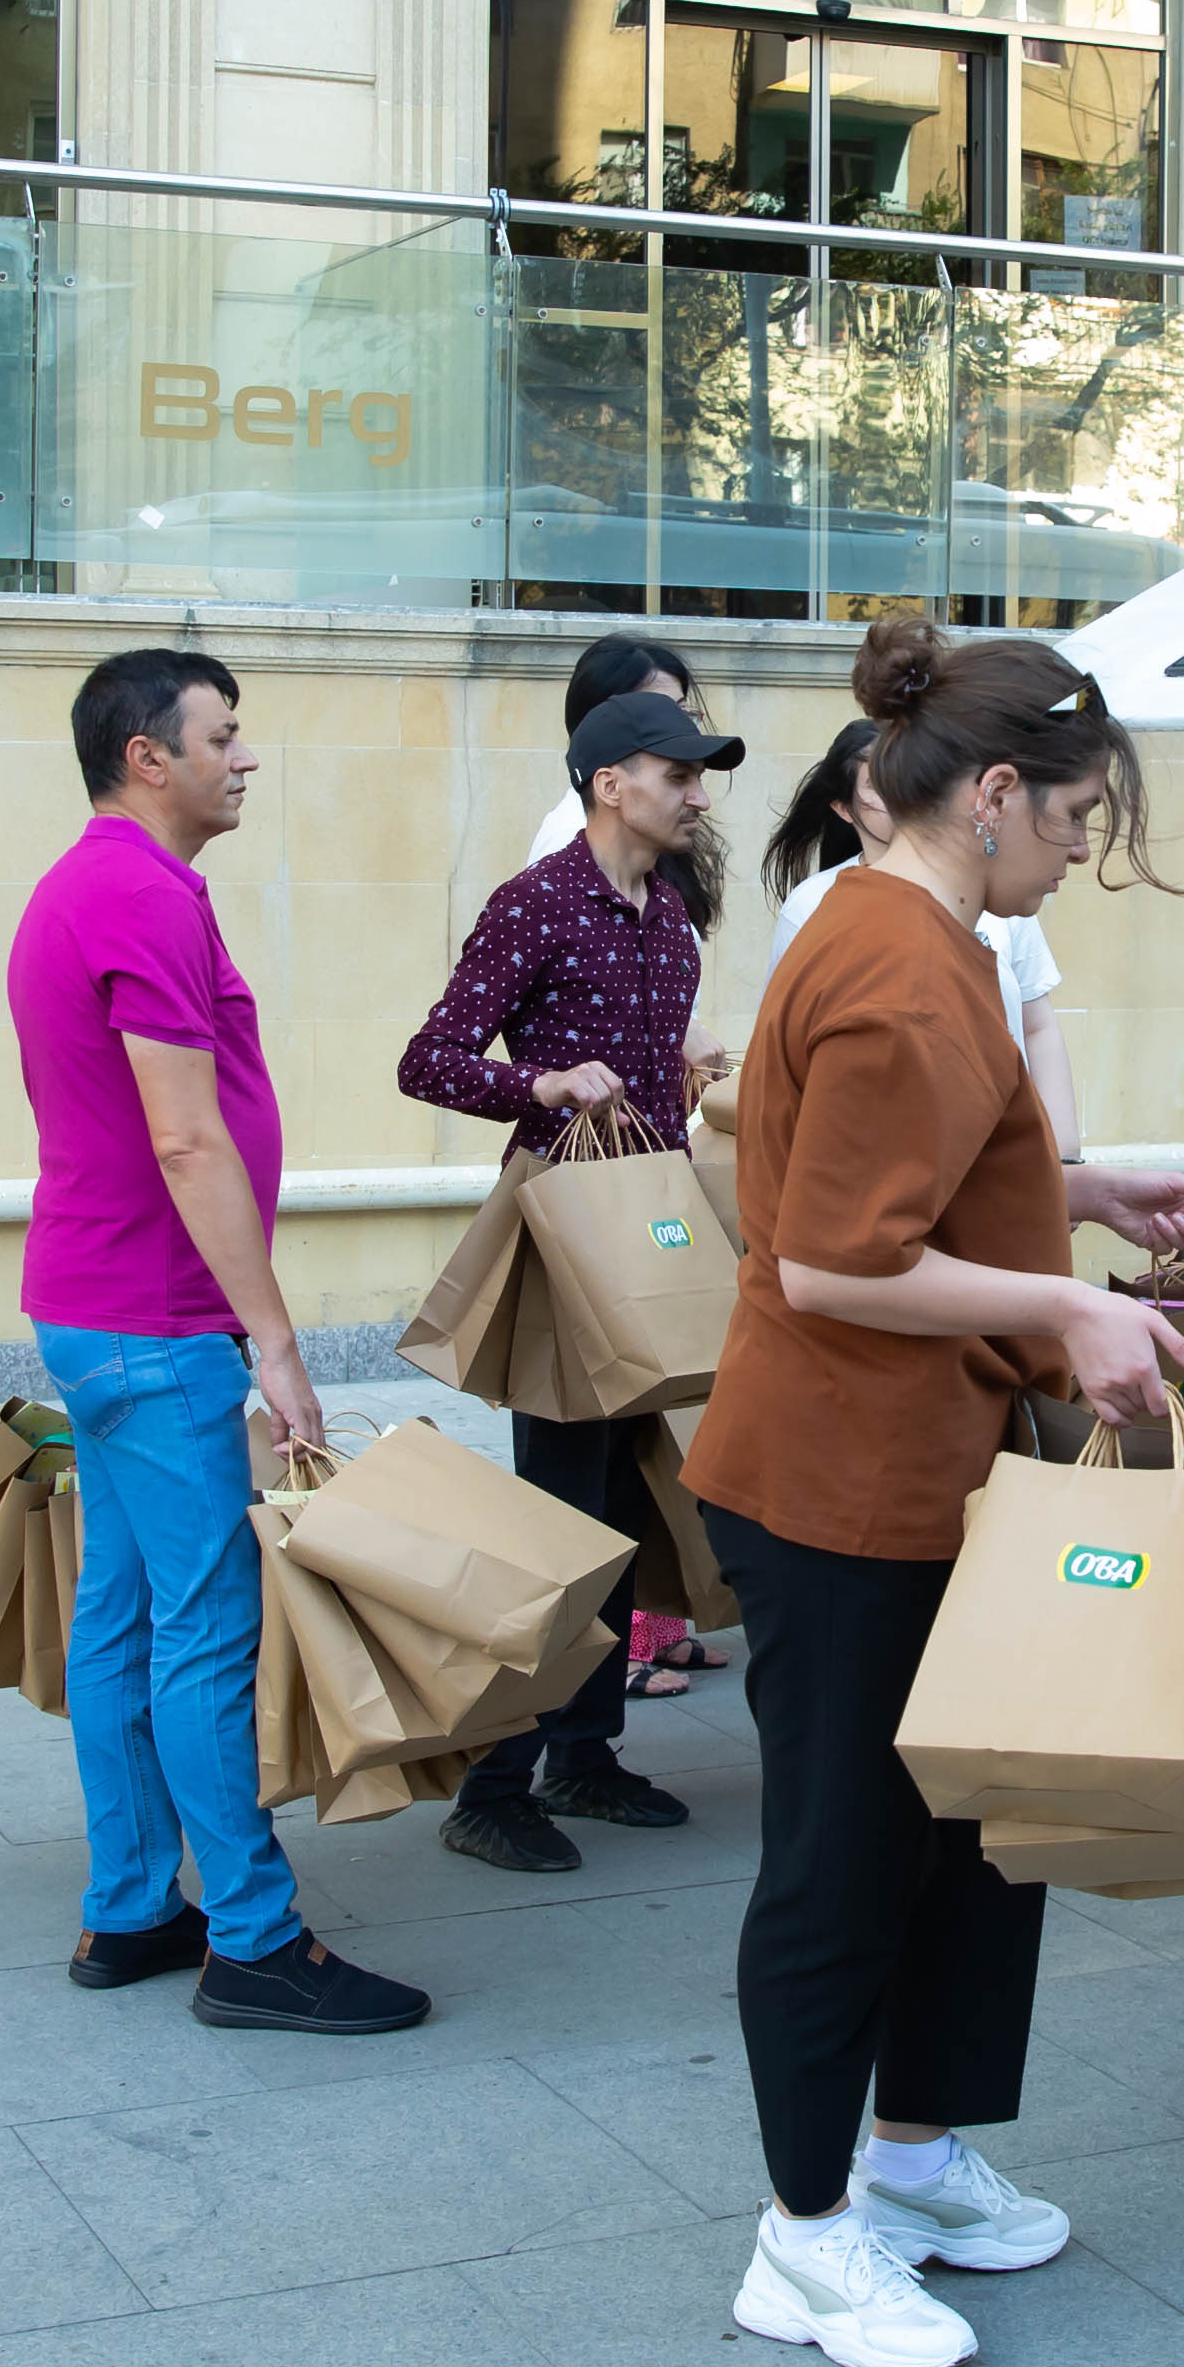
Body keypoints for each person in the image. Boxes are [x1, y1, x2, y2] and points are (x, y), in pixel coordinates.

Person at [682, 620, 1184, 2367]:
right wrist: (1067, 1301)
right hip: (844, 1485)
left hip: (928, 1469)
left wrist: (1078, 1188)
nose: (1080, 855)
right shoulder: (910, 968)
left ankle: (907, 2160)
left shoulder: (899, 921)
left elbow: (926, 1178)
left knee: (973, 1839)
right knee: (847, 1864)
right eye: (1073, 823)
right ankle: (804, 2234)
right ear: (991, 795)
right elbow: (836, 1264)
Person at [6, 648, 428, 2037]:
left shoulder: (97, 886)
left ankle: (130, 1907)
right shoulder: (135, 892)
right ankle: (251, 1936)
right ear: (149, 755)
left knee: (122, 1615)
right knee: (200, 1631)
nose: (243, 758)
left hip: (99, 1306)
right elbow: (186, 1137)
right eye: (222, 736)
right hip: (159, 1319)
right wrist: (276, 1342)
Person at [399, 684, 748, 1872]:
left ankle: (584, 1756)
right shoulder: (535, 905)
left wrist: (690, 1063)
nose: (699, 794)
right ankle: (491, 1786)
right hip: (561, 1243)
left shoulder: (669, 916)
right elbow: (429, 1060)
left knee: (629, 1503)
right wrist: (540, 1086)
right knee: (556, 1516)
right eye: (679, 773)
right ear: (611, 783)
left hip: (648, 1235)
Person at [765, 718, 1087, 1160]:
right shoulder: (814, 906)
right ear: (844, 808)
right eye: (882, 786)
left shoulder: (997, 899)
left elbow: (1038, 1024)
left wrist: (1065, 1161)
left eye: (913, 780)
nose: (1079, 849)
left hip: (1006, 1168)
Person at [529, 631, 730, 936]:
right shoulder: (567, 844)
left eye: (683, 711)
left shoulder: (655, 855)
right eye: (658, 711)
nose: (700, 800)